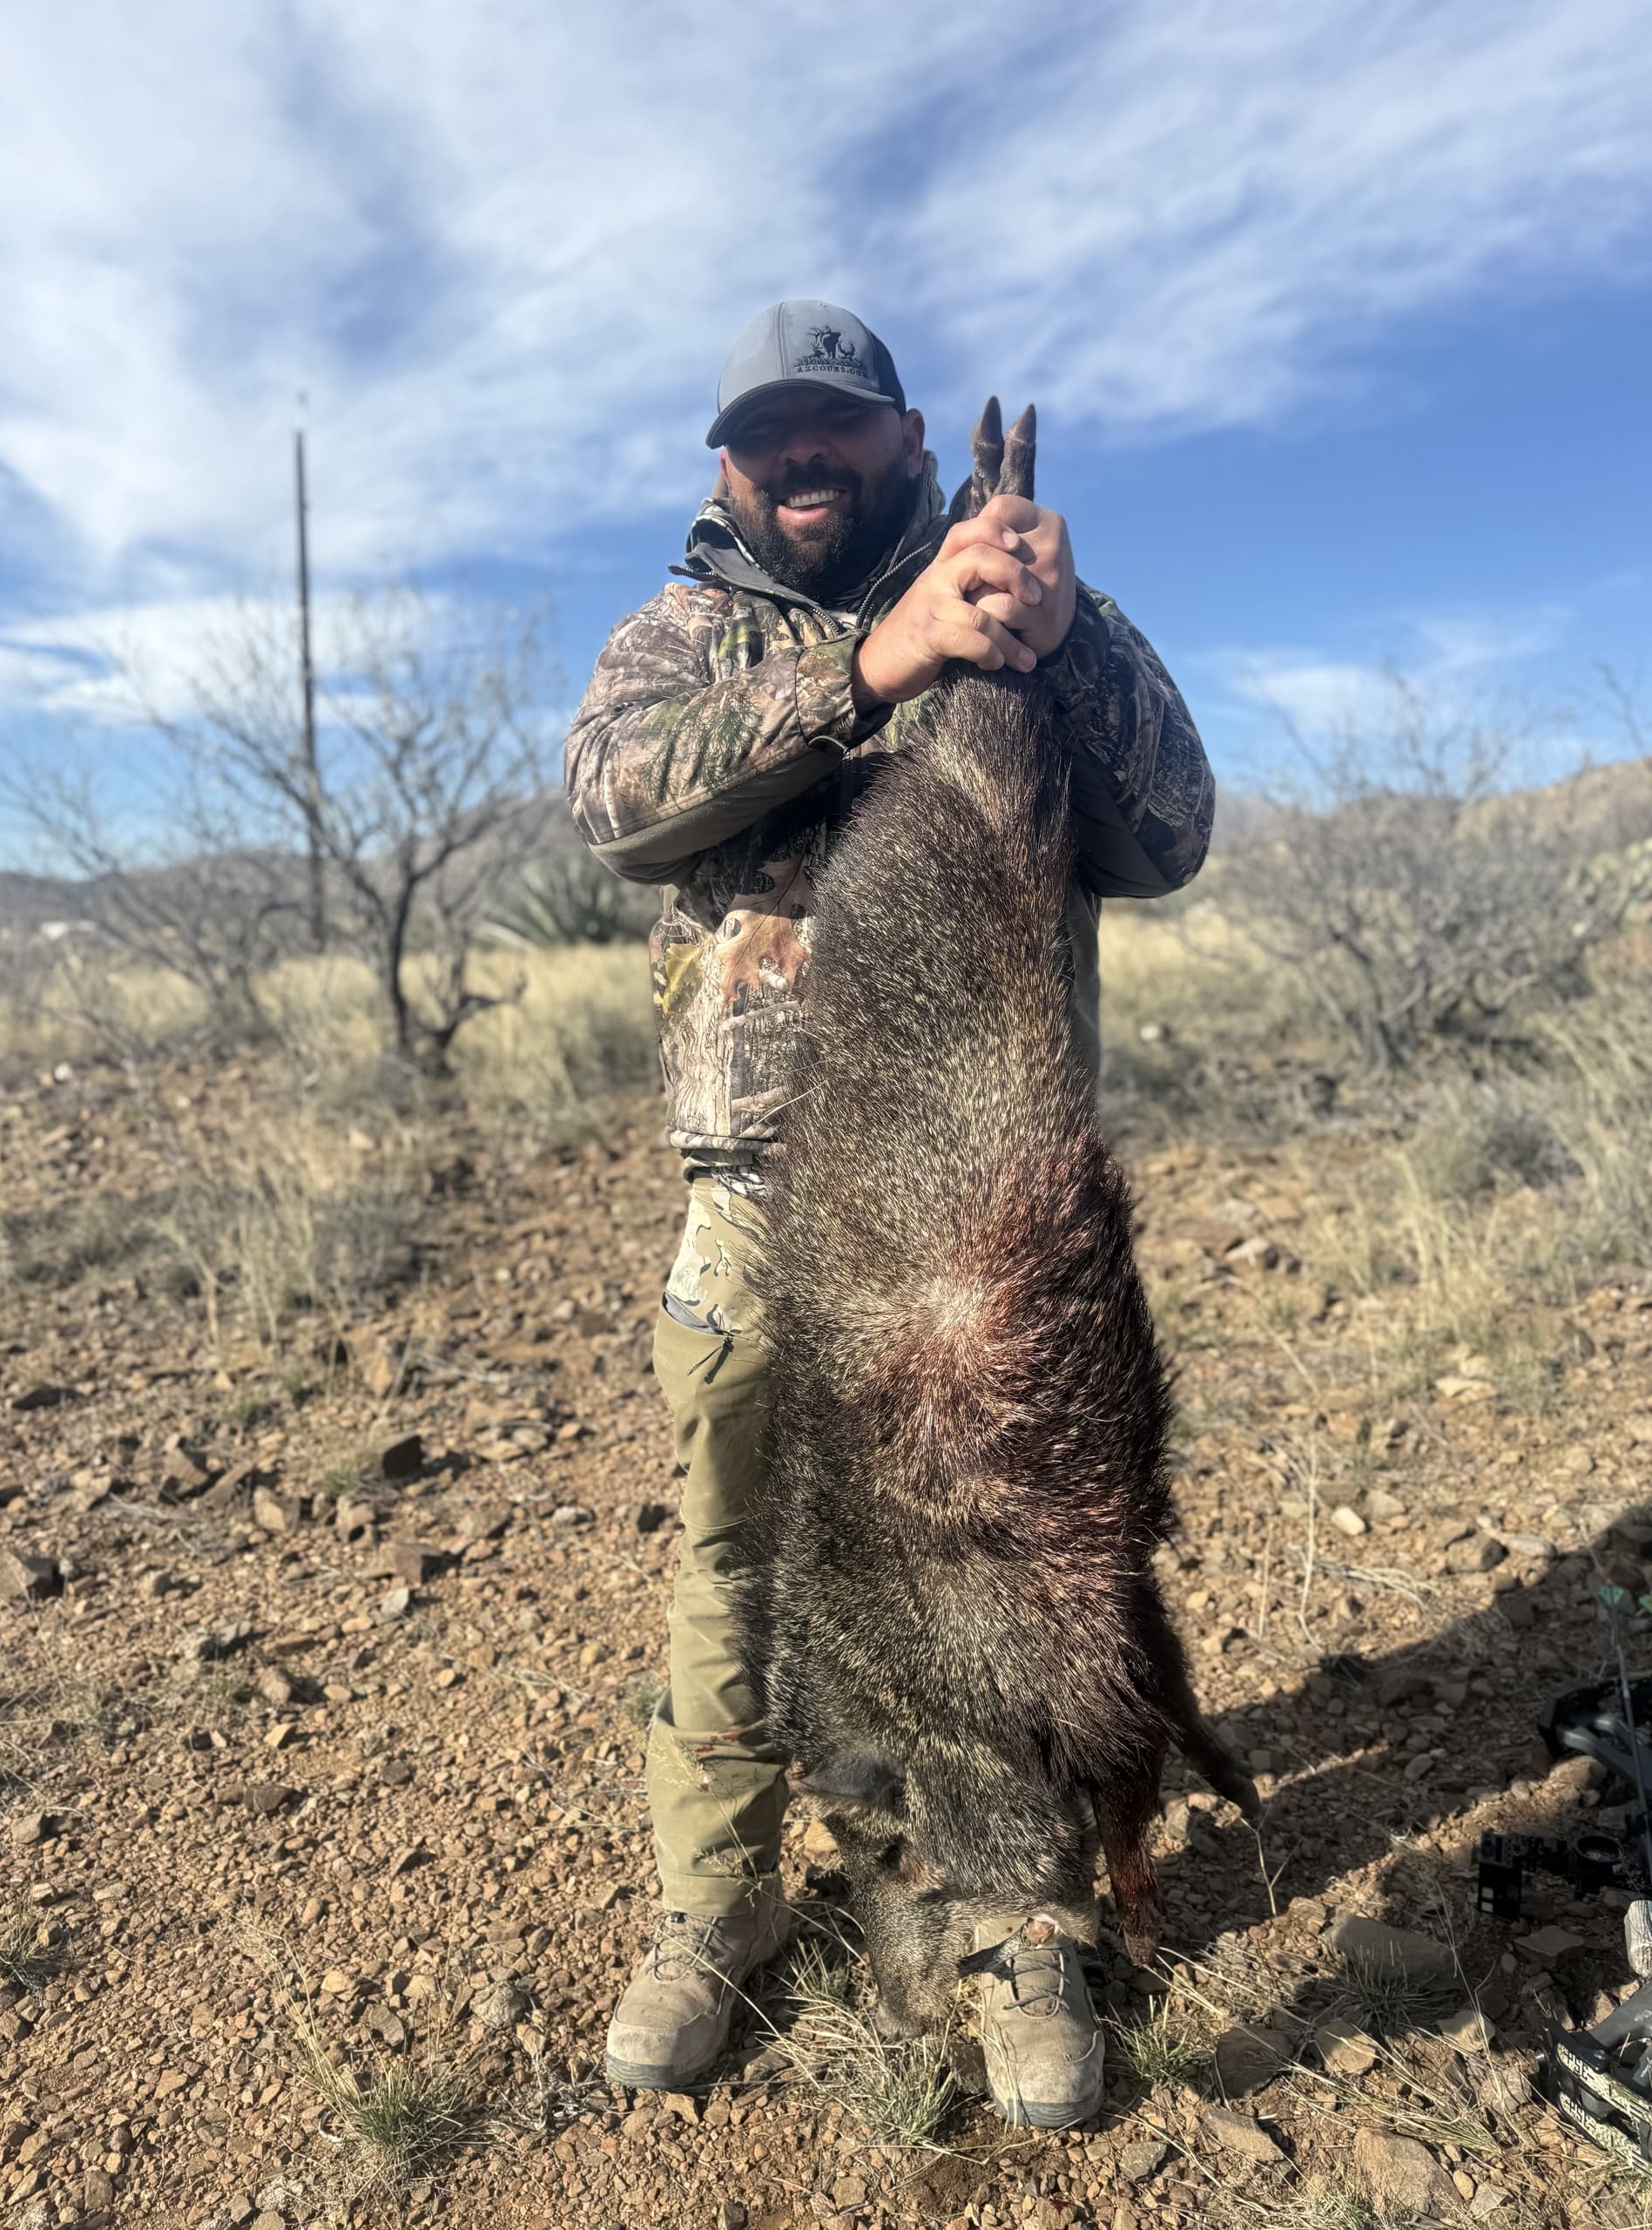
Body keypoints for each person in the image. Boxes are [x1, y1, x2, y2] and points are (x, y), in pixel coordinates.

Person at [564, 300, 1215, 2120]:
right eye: (765, 433)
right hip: (761, 1199)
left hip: (979, 1207)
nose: (801, 455)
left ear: (907, 438)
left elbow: (1171, 830)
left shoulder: (1037, 606)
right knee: (735, 1552)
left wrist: (1058, 644)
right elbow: (617, 804)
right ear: (725, 465)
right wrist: (879, 663)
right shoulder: (680, 635)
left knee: (1007, 1558)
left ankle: (1021, 1923)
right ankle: (716, 1905)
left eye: (836, 425)